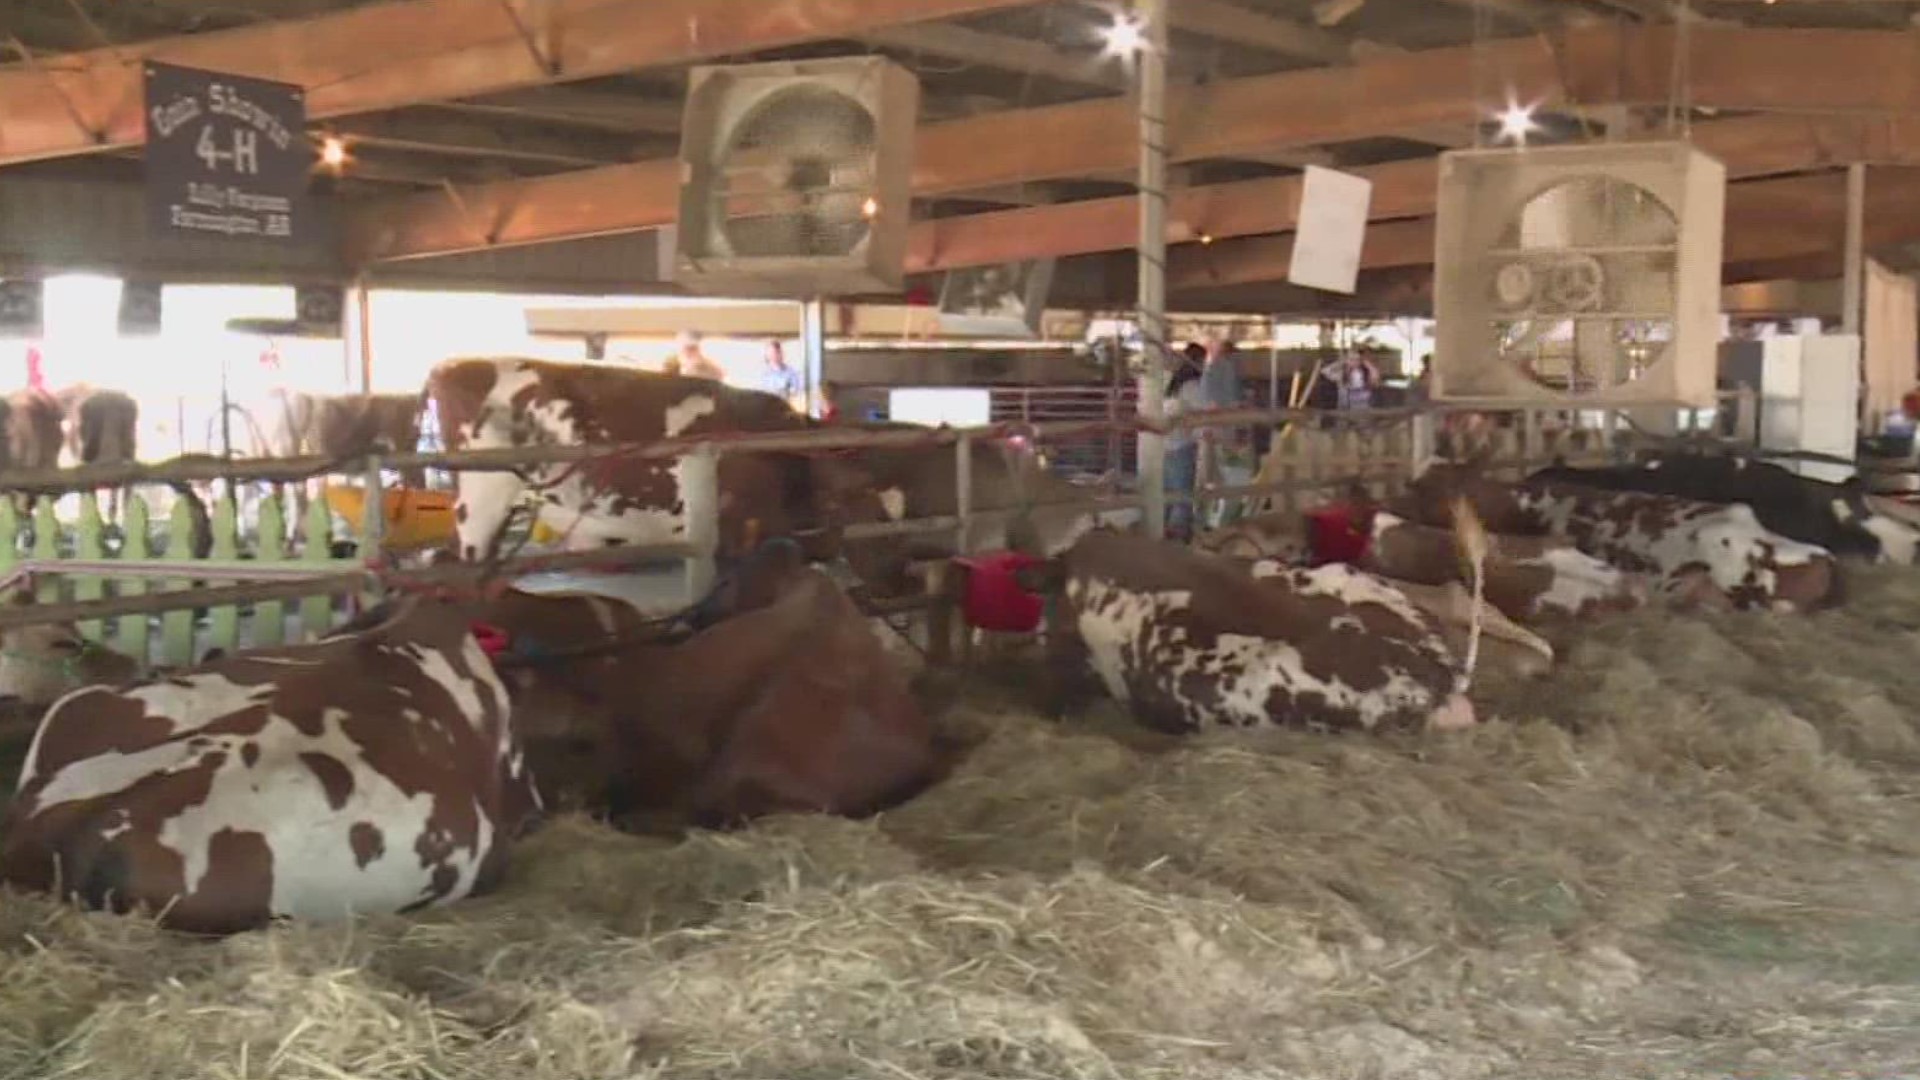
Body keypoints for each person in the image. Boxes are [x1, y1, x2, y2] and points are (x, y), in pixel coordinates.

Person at [1161, 351, 1211, 541]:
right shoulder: (1192, 386)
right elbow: (1202, 415)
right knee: (1182, 496)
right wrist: (1203, 436)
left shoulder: (1172, 385)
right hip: (1181, 445)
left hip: (1164, 446)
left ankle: (1160, 534)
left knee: (1166, 493)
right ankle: (1179, 539)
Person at [758, 340, 801, 406]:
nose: (773, 356)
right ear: (766, 355)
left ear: (781, 354)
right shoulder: (763, 374)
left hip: (784, 407)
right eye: (770, 353)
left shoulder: (791, 373)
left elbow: (795, 394)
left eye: (775, 353)